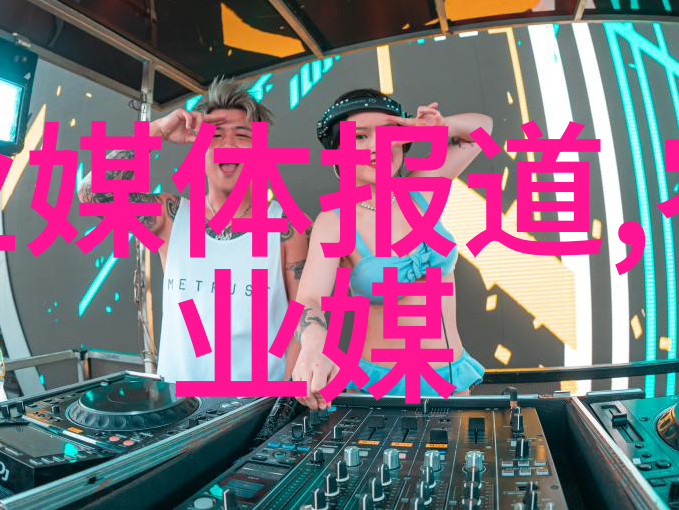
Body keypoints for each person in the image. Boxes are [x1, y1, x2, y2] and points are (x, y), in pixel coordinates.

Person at [79, 77, 309, 383]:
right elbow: (93, 195)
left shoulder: (287, 228)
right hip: (179, 405)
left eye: (242, 135)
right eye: (215, 135)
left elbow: (301, 323)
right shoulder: (171, 216)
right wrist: (157, 132)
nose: (228, 145)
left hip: (258, 406)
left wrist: (281, 402)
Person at [293, 90, 491, 408]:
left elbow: (482, 130)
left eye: (388, 134)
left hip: (451, 380)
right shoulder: (334, 222)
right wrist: (314, 340)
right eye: (360, 137)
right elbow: (310, 297)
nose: (377, 147)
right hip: (382, 389)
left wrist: (440, 126)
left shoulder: (423, 188)